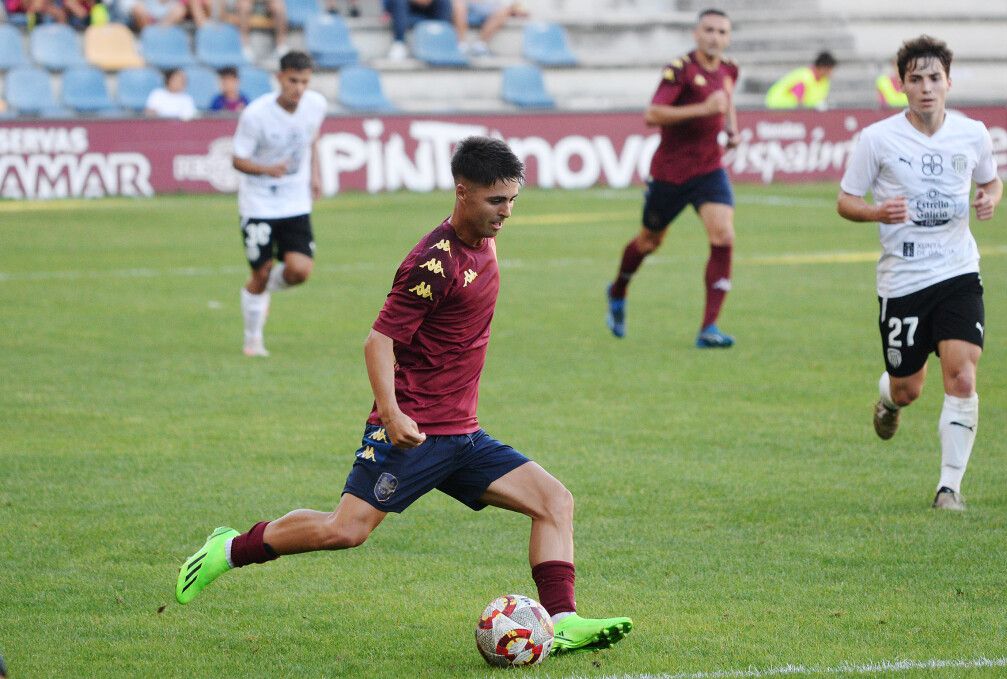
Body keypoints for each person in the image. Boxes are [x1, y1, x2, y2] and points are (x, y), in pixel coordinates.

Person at [174, 136, 634, 656]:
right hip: (412, 432)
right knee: (344, 530)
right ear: (462, 192)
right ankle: (229, 549)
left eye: (512, 201)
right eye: (495, 201)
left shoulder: (485, 238)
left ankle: (563, 619)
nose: (505, 213)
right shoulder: (432, 263)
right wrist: (391, 414)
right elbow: (379, 340)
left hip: (462, 434)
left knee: (554, 501)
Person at [836, 35, 1003, 510]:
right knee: (909, 387)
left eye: (934, 78)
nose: (926, 87)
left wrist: (990, 198)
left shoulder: (972, 133)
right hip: (903, 279)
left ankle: (948, 487)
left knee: (963, 377)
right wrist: (876, 214)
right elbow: (846, 200)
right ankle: (888, 399)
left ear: (948, 81)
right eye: (916, 79)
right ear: (901, 85)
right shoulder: (878, 139)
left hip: (957, 271)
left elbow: (991, 180)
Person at [605, 8, 740, 348]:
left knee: (723, 235)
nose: (715, 37)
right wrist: (703, 110)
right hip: (671, 173)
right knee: (649, 241)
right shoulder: (680, 71)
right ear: (696, 34)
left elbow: (726, 99)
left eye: (722, 32)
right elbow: (653, 114)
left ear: (728, 37)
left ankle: (709, 327)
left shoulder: (729, 69)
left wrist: (731, 128)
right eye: (708, 30)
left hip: (709, 168)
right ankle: (618, 289)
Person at [231, 51, 326, 357]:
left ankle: (257, 293)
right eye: (293, 80)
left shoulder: (315, 105)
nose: (299, 88)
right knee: (261, 272)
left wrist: (315, 175)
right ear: (279, 78)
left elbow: (312, 140)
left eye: (305, 82)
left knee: (300, 271)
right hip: (259, 203)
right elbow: (238, 159)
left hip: (295, 201)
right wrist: (266, 170)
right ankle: (252, 339)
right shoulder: (256, 115)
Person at [764, 50, 836, 110]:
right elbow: (800, 104)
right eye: (830, 69)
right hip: (778, 106)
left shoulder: (824, 81)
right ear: (822, 67)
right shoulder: (804, 77)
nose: (831, 72)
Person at [451, 0, 527, 57]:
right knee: (458, 3)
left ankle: (480, 46)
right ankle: (461, 46)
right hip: (465, 5)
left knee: (505, 10)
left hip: (486, 7)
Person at [383, 0, 451, 61]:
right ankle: (399, 43)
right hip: (404, 9)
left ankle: (441, 40)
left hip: (425, 10)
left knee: (444, 2)